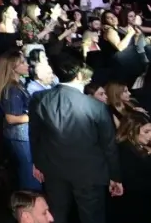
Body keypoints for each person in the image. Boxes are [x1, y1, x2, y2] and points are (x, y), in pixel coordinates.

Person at [29, 55, 122, 223]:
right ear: (79, 75)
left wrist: (37, 163)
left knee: (56, 216)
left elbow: (35, 135)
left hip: (54, 170)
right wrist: (115, 177)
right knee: (92, 218)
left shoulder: (39, 99)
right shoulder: (96, 106)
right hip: (89, 174)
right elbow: (109, 145)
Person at [0, 51, 37, 190]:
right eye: (23, 62)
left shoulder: (17, 85)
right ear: (13, 67)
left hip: (20, 135)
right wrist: (35, 116)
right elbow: (11, 117)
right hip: (20, 135)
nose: (27, 65)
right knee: (28, 170)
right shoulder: (12, 89)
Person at [111, 111, 151, 221]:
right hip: (135, 207)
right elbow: (133, 182)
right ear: (131, 132)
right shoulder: (125, 150)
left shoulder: (138, 146)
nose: (150, 135)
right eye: (146, 131)